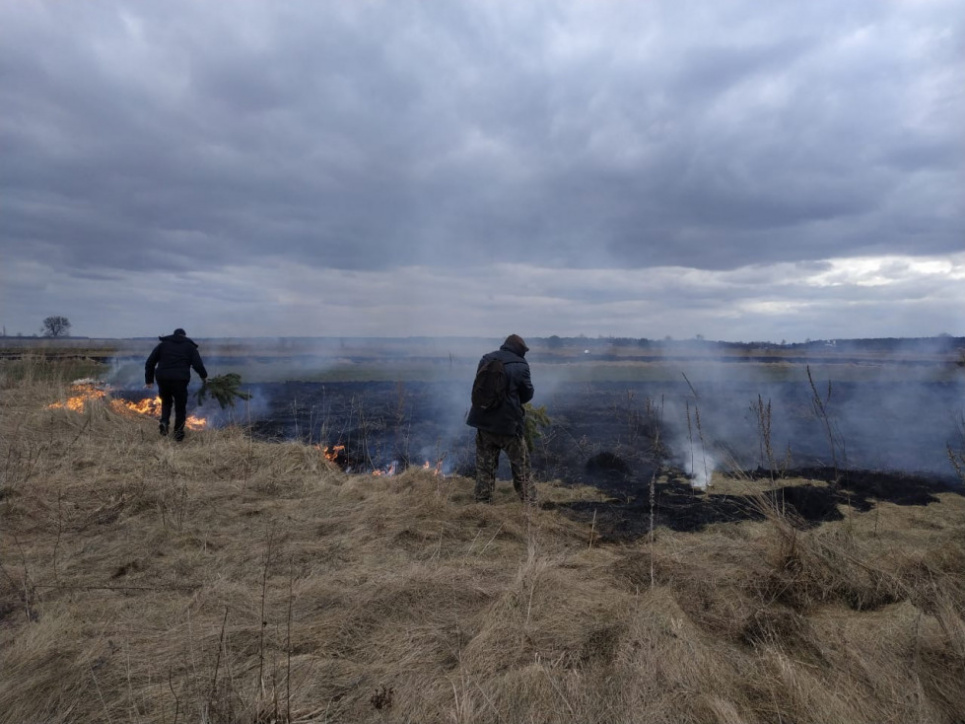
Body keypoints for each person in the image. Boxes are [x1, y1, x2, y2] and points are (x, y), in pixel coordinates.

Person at [466, 334, 536, 504]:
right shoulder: (521, 365)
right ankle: (530, 505)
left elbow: (480, 389)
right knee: (521, 466)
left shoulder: (486, 359)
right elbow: (527, 394)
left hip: (484, 423)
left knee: (484, 467)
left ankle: (482, 504)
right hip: (509, 426)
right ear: (520, 350)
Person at [145, 328, 208, 442]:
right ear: (184, 336)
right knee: (180, 407)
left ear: (173, 335)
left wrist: (149, 380)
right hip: (180, 379)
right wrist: (204, 376)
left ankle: (164, 422)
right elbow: (198, 365)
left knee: (166, 402)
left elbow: (150, 363)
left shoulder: (162, 345)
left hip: (162, 378)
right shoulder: (190, 347)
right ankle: (178, 434)